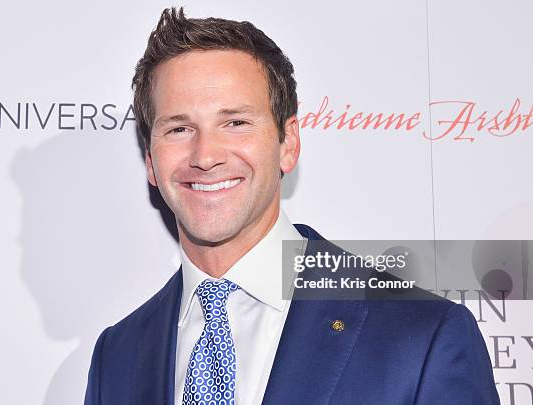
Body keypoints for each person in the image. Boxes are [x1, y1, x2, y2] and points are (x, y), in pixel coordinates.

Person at [84, 7, 499, 405]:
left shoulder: (423, 335)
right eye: (179, 128)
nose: (205, 155)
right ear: (151, 161)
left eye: (236, 123)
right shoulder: (116, 357)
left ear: (289, 143)